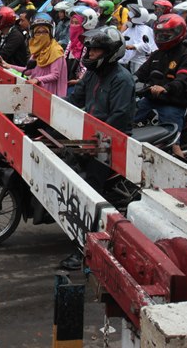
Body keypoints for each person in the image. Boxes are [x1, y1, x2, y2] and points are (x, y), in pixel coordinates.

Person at [60, 25, 135, 270]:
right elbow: (75, 99)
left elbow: (118, 119)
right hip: (88, 136)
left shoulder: (122, 80)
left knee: (89, 192)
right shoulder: (93, 74)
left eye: (95, 50)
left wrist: (92, 142)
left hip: (108, 143)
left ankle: (84, 248)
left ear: (110, 53)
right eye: (89, 50)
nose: (89, 54)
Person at [134, 14, 187, 159]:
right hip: (151, 99)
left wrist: (166, 88)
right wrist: (129, 80)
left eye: (167, 34)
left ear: (178, 33)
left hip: (172, 102)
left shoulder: (186, 56)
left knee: (172, 141)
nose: (162, 37)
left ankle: (181, 167)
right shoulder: (157, 54)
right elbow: (140, 73)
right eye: (160, 34)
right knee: (129, 118)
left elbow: (183, 78)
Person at [2, 14, 68, 97]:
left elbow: (55, 75)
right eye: (38, 32)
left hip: (50, 94)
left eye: (44, 32)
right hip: (36, 91)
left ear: (50, 33)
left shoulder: (56, 50)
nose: (41, 35)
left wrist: (37, 79)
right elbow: (29, 71)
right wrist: (9, 66)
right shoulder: (36, 50)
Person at [120, 5, 156, 74]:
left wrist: (133, 46)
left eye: (132, 15)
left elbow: (147, 46)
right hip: (128, 60)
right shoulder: (131, 28)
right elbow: (122, 37)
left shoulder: (144, 29)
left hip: (139, 62)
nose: (129, 17)